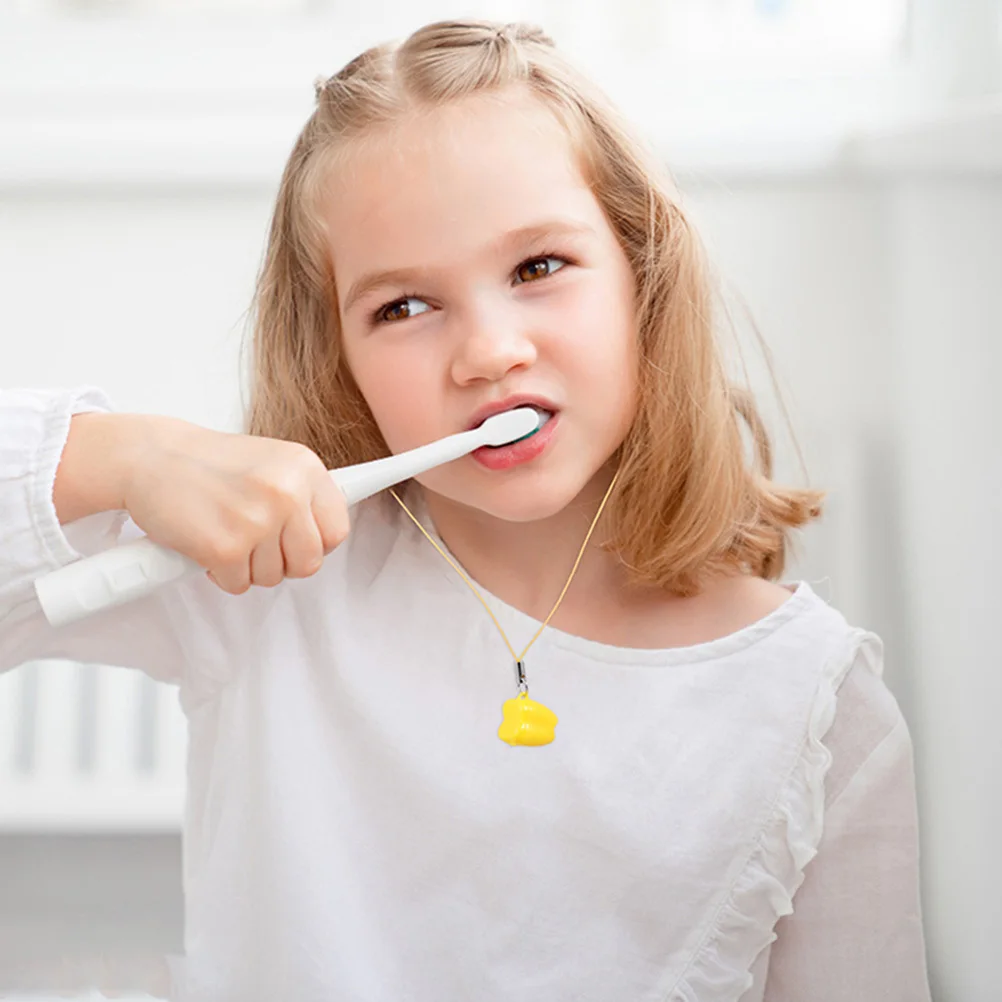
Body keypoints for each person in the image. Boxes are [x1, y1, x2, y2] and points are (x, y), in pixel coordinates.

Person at [0, 19, 931, 1002]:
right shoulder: (262, 583)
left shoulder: (816, 706)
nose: (488, 352)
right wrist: (125, 452)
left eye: (538, 269)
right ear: (340, 363)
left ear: (643, 282)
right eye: (403, 307)